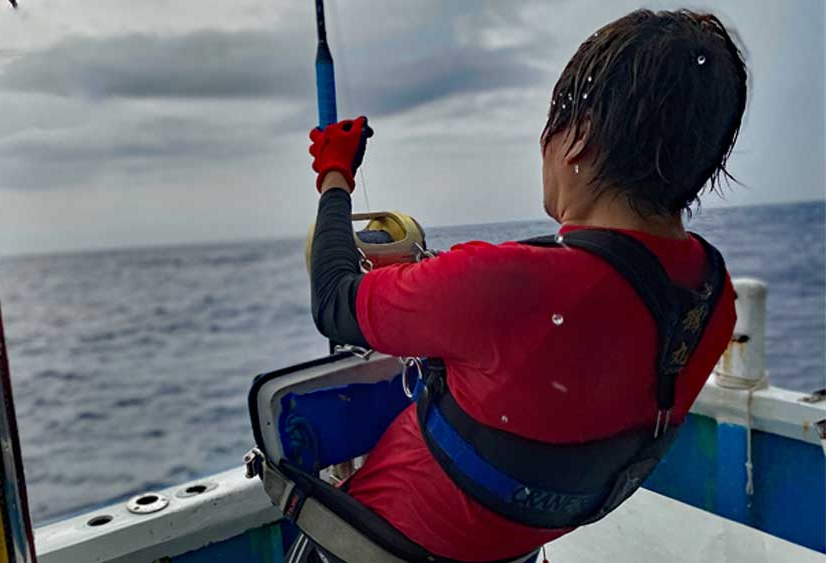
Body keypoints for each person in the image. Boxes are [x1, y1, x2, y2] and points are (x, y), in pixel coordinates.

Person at [292, 8, 748, 563]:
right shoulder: (713, 297)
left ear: (577, 139)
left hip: (377, 548)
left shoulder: (509, 286)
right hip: (514, 548)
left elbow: (334, 299)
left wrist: (334, 177)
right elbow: (579, 323)